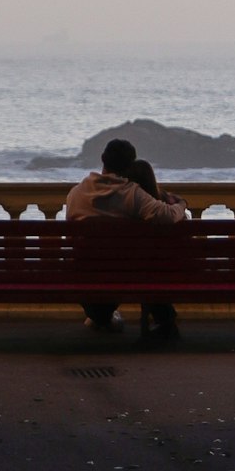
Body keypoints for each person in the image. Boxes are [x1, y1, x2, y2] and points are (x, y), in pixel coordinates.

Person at [65, 137, 185, 335]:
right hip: (126, 273)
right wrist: (181, 204)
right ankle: (164, 321)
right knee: (148, 258)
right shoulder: (131, 194)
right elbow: (168, 215)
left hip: (85, 274)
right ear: (130, 165)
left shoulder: (76, 194)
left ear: (103, 159)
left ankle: (101, 317)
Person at [126, 157, 182, 342]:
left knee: (146, 269)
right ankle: (166, 321)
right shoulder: (165, 208)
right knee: (154, 269)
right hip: (168, 272)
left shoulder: (125, 210)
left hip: (126, 272)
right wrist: (181, 204)